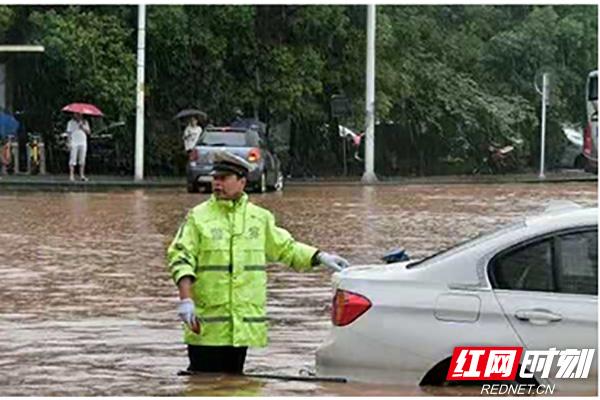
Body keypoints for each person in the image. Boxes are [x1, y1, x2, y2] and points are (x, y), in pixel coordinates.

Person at [166, 150, 349, 374]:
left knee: (234, 385)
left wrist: (318, 256)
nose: (217, 184)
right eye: (215, 178)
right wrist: (186, 300)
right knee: (203, 385)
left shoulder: (259, 218)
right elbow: (181, 256)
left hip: (241, 327)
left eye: (224, 179)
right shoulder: (198, 217)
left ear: (242, 181)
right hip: (206, 326)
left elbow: (285, 248)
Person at [66, 112, 90, 181]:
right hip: (74, 142)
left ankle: (82, 175)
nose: (78, 115)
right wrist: (68, 142)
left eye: (79, 114)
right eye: (76, 114)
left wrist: (82, 126)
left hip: (83, 142)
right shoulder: (70, 122)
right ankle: (71, 175)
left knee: (82, 159)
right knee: (72, 159)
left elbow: (88, 132)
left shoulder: (85, 122)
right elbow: (69, 133)